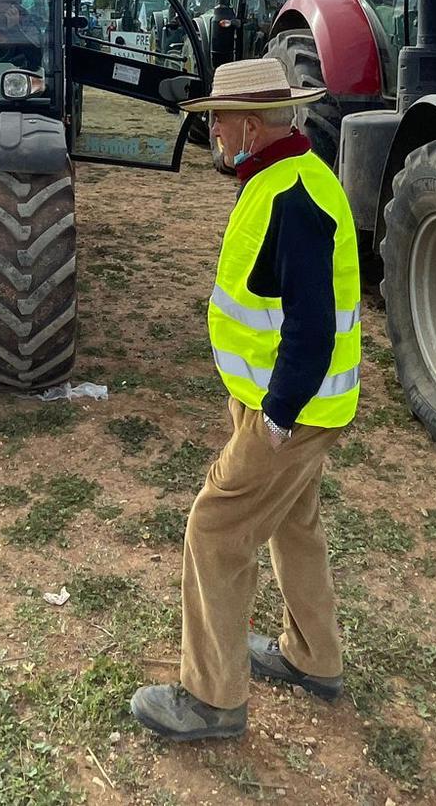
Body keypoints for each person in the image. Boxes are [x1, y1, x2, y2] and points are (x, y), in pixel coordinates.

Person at [130, 58, 362, 742]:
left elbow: (314, 327)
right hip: (290, 406)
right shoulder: (280, 179)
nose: (215, 131)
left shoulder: (293, 198)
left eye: (219, 119)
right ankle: (313, 658)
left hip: (292, 413)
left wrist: (279, 418)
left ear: (251, 124)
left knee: (215, 529)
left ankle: (211, 700)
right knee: (295, 526)